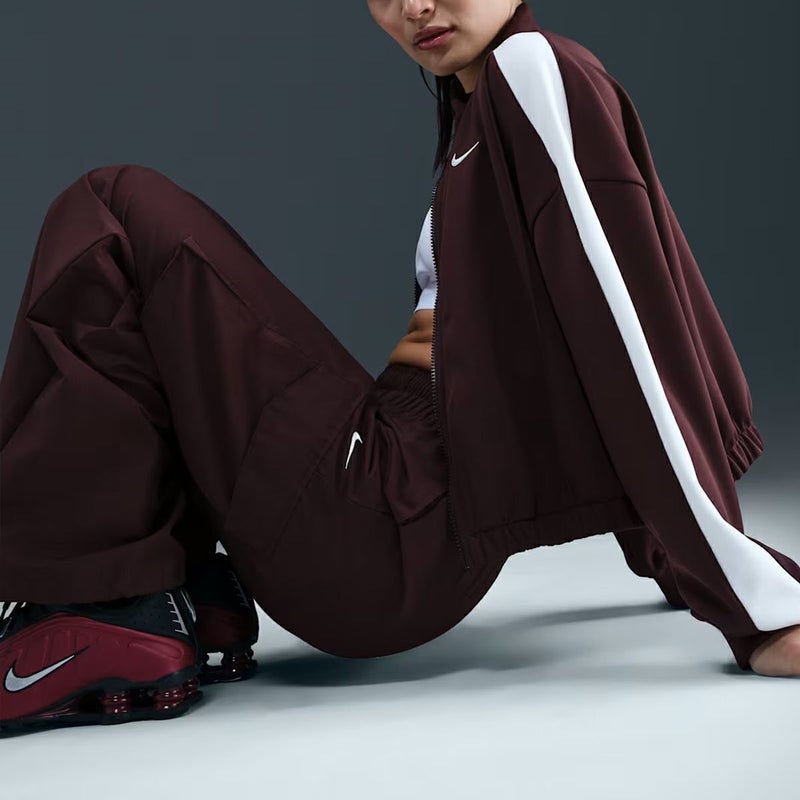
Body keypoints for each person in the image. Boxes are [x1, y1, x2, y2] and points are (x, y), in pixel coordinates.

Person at [2, 0, 799, 735]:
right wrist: (660, 558)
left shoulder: (533, 71)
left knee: (111, 209)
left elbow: (622, 331)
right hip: (397, 507)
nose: (414, 6)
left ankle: (102, 602)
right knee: (144, 278)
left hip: (389, 520)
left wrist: (752, 607)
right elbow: (565, 342)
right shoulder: (474, 104)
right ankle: (161, 597)